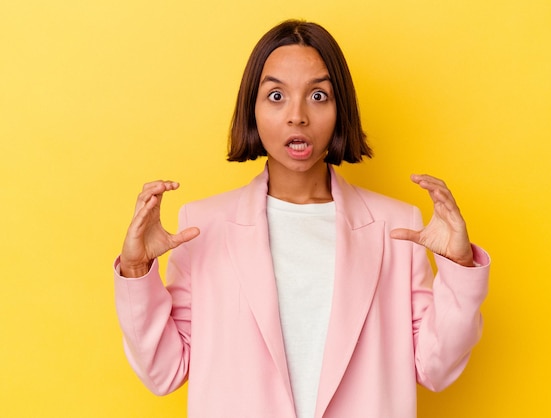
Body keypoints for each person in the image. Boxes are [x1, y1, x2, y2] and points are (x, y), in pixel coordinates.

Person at [114, 19, 490, 418]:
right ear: (252, 109)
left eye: (318, 95)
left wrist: (459, 269)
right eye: (276, 95)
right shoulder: (203, 226)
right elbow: (164, 372)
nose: (297, 116)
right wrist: (138, 270)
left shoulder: (396, 227)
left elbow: (435, 368)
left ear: (340, 106)